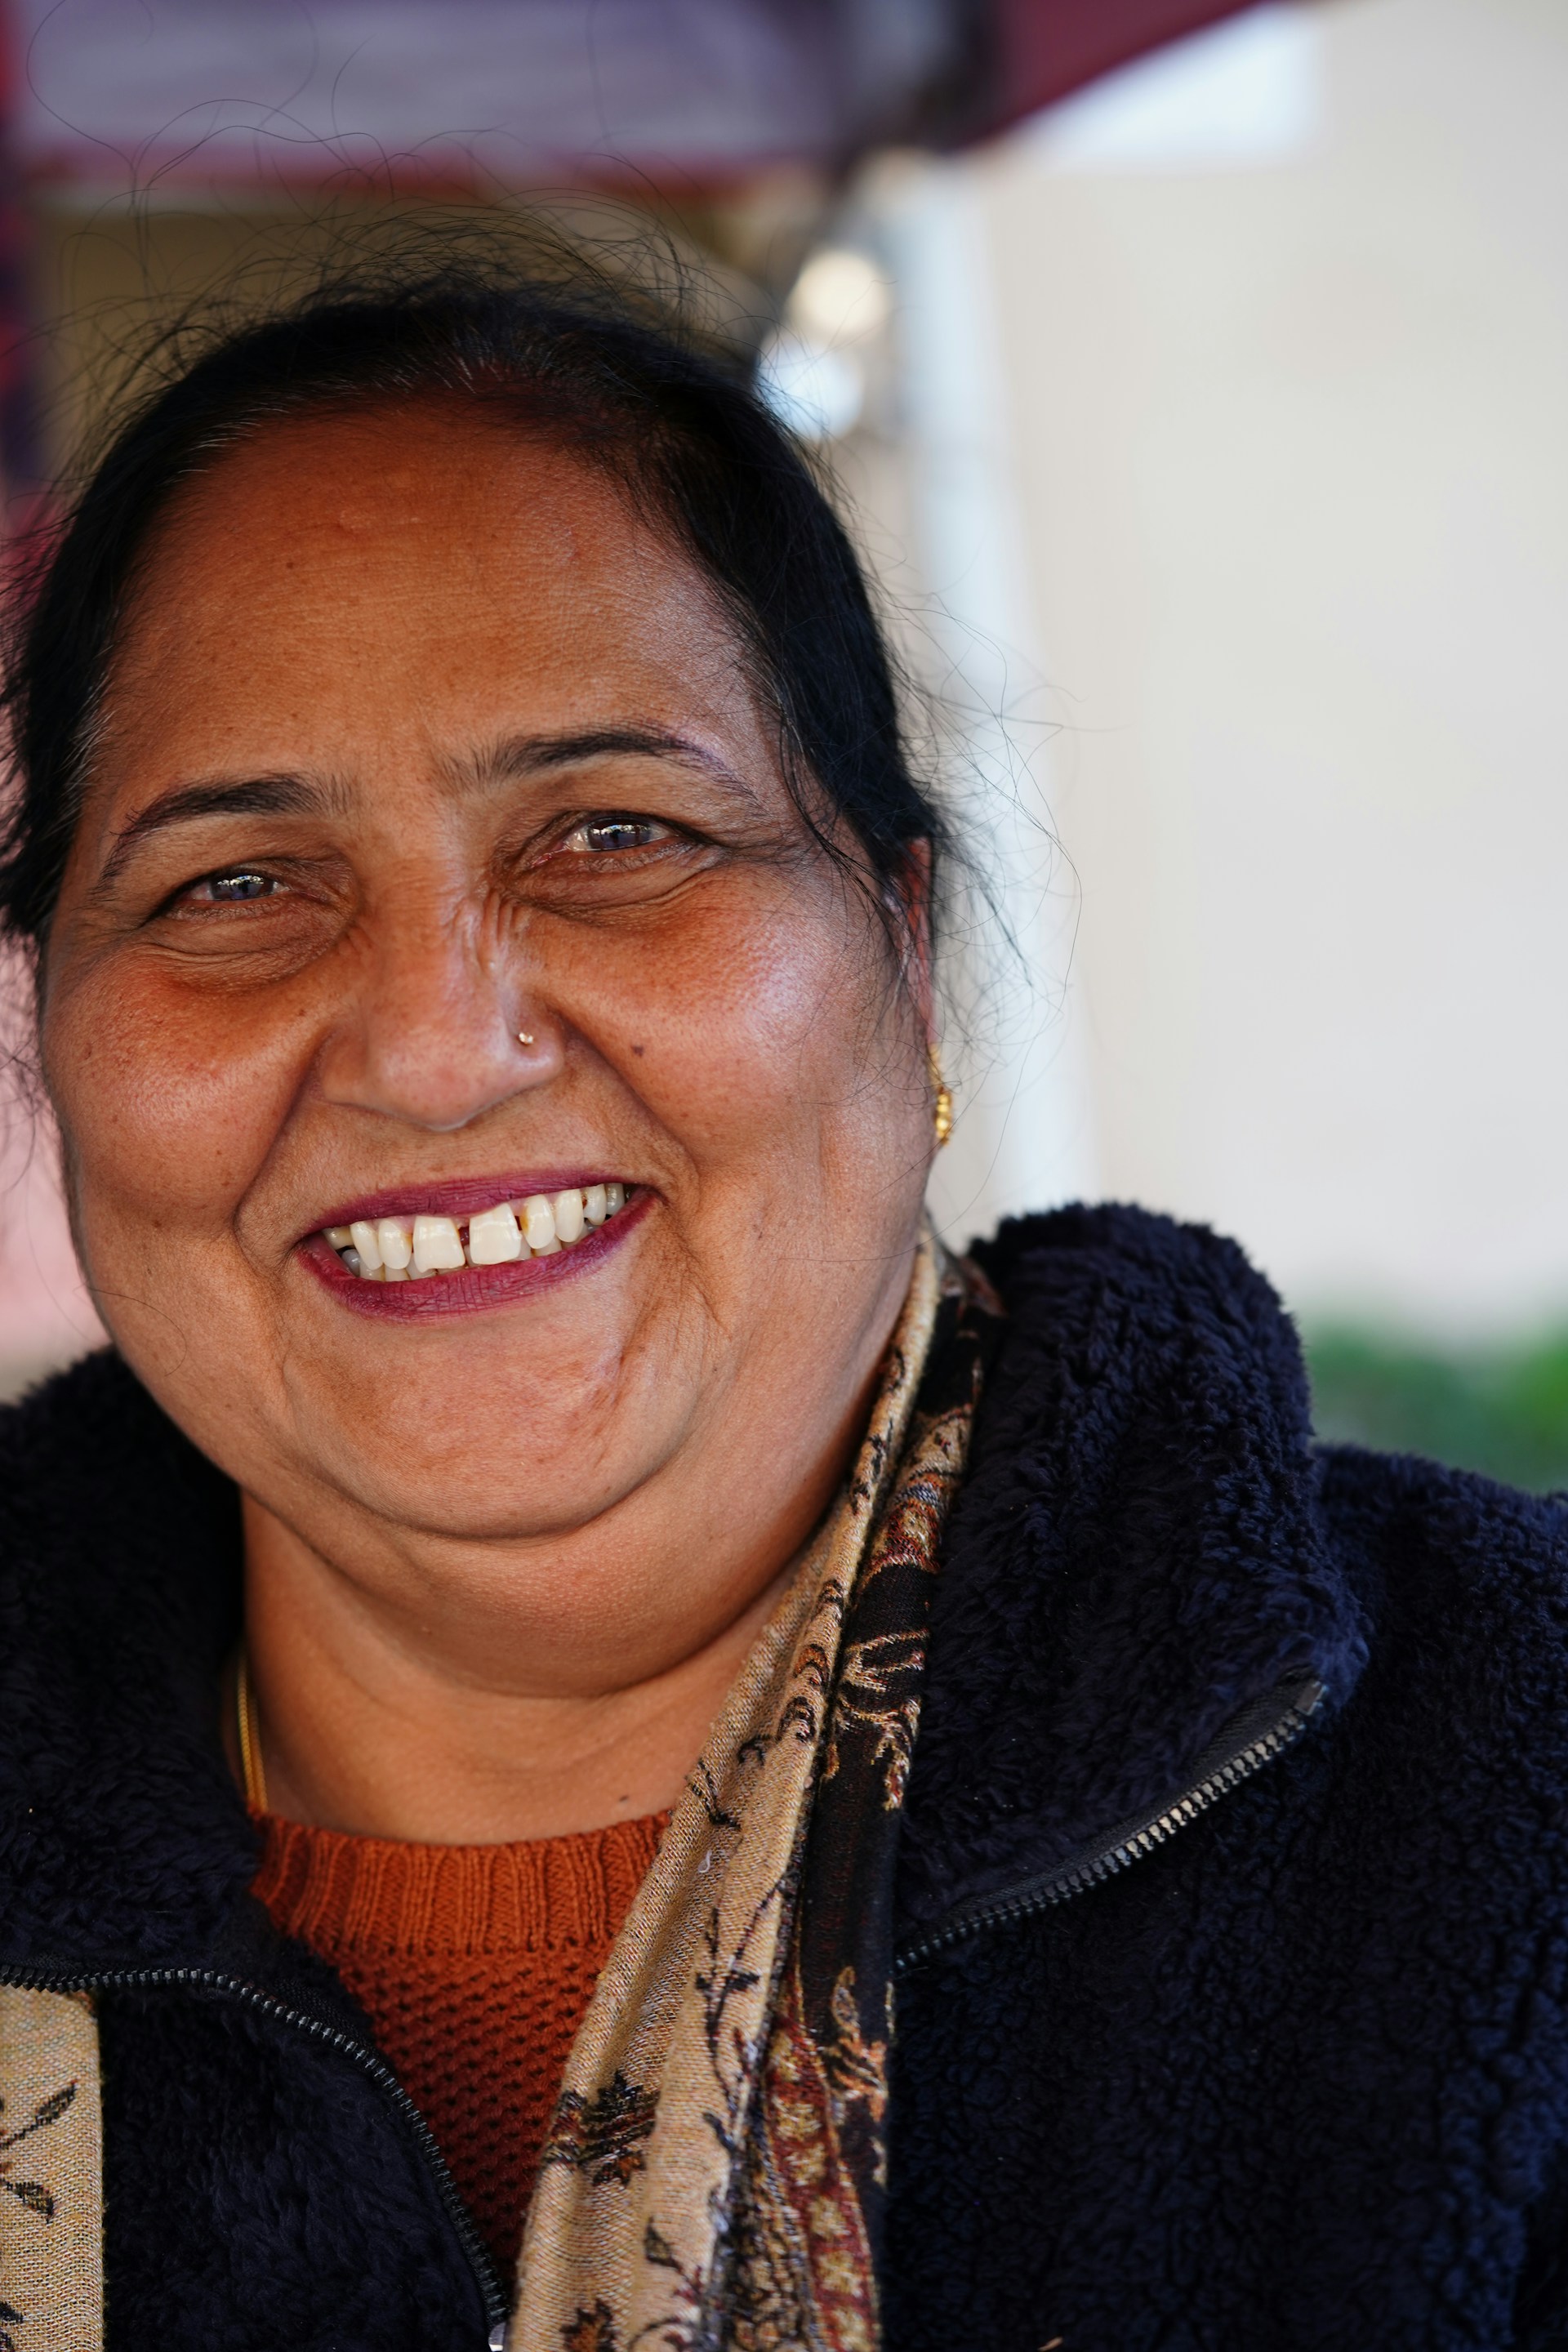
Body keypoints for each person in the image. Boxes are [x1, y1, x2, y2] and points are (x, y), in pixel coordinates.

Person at [0, 250, 1563, 2352]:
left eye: (616, 834)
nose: (435, 1047)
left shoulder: (1509, 1771)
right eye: (236, 885)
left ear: (904, 955)